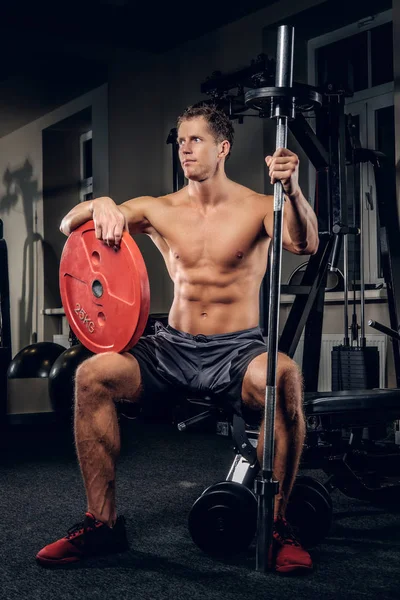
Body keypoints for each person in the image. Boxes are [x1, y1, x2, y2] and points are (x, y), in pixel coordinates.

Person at [36, 104, 319, 573]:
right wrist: (100, 204)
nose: (185, 149)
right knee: (92, 376)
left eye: (196, 140)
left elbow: (302, 241)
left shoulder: (257, 205)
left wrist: (290, 188)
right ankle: (102, 525)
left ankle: (276, 527)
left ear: (223, 148)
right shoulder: (157, 209)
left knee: (284, 377)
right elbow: (71, 226)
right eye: (181, 140)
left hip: (237, 349)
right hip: (171, 347)